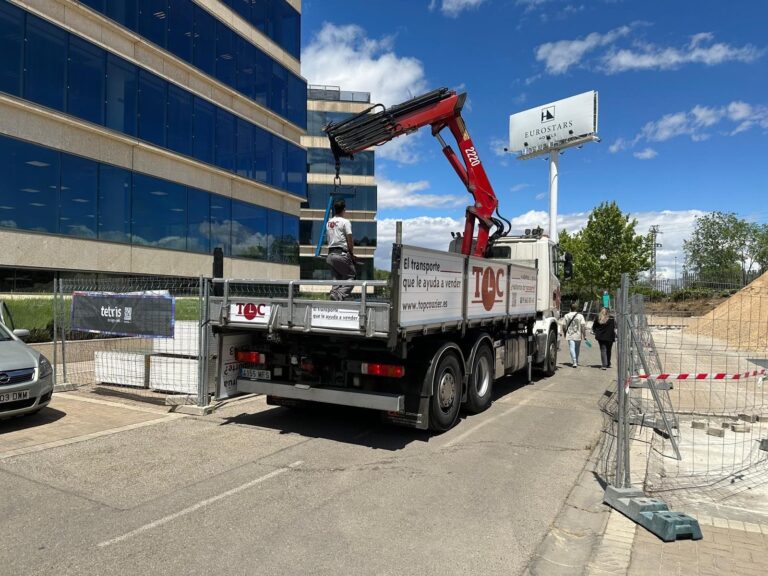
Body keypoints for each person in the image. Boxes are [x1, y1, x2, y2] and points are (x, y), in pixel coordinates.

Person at [326, 199, 357, 301]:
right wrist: (351, 253)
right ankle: (339, 294)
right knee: (351, 276)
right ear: (344, 210)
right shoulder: (345, 222)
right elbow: (349, 238)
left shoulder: (329, 222)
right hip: (341, 254)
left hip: (330, 255)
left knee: (337, 279)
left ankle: (334, 294)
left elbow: (328, 238)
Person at [562, 302, 587, 368]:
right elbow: (583, 326)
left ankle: (574, 361)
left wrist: (565, 333)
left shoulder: (566, 315)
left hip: (570, 334)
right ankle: (576, 360)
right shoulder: (580, 316)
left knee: (571, 348)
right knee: (577, 348)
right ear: (577, 308)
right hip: (578, 335)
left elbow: (564, 326)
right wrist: (584, 335)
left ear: (570, 308)